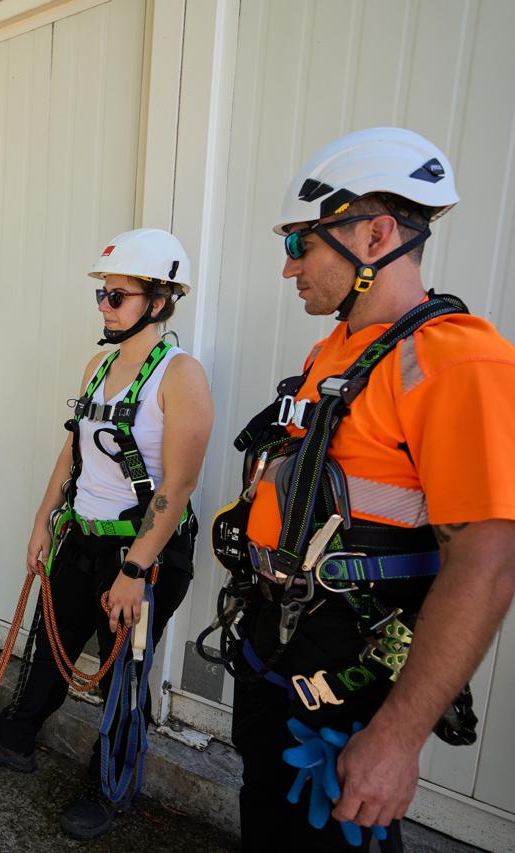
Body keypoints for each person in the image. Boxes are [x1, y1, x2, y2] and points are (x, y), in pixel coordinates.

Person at [211, 127, 515, 851]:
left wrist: (397, 741)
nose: (290, 270)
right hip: (279, 668)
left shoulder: (457, 361)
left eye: (301, 245)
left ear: (376, 235)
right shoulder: (340, 349)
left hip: (350, 699)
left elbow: (489, 560)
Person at [0, 228, 213, 841]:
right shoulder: (98, 365)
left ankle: (110, 784)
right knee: (51, 646)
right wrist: (44, 519)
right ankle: (17, 739)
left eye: (116, 296)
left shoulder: (181, 377)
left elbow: (178, 488)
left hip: (141, 552)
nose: (103, 306)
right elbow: (73, 450)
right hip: (83, 538)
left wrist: (135, 569)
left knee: (122, 674)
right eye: (102, 295)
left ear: (158, 301)